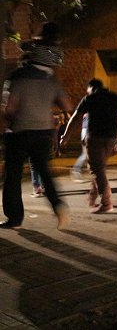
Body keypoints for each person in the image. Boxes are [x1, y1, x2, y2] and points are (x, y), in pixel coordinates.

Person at [1, 59, 72, 229]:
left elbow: (10, 109)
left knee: (12, 176)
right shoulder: (51, 82)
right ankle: (58, 206)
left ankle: (15, 218)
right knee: (45, 172)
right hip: (44, 133)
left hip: (20, 133)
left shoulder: (19, 80)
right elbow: (68, 105)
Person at [60, 79, 117, 214]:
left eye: (87, 89)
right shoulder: (116, 98)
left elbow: (76, 117)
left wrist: (65, 136)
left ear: (91, 87)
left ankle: (106, 202)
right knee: (99, 169)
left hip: (95, 137)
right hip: (111, 138)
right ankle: (92, 197)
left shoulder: (90, 98)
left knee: (96, 169)